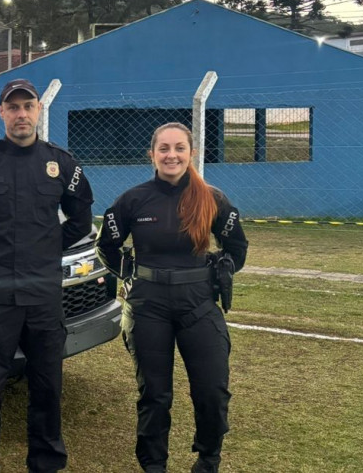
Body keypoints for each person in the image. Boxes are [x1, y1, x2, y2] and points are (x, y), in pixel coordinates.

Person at [0, 78, 94, 472]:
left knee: (47, 385)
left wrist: (45, 248)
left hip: (43, 296)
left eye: (28, 106)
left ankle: (46, 462)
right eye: (13, 107)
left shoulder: (62, 164)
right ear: (1, 113)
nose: (21, 114)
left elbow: (81, 219)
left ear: (38, 110)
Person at [95, 122, 248, 473]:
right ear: (152, 154)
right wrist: (130, 273)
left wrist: (221, 271)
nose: (171, 155)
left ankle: (208, 460)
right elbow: (107, 246)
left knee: (212, 390)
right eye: (163, 148)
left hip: (199, 303)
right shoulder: (132, 200)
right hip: (148, 306)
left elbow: (237, 247)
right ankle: (154, 465)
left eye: (179, 148)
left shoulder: (212, 198)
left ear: (191, 153)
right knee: (154, 394)